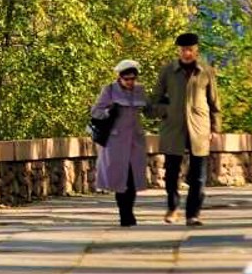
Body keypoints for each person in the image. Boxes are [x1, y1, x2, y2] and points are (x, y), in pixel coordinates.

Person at [152, 32, 221, 226]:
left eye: (190, 49)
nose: (186, 53)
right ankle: (173, 208)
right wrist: (166, 110)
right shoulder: (167, 71)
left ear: (196, 50)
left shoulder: (206, 72)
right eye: (183, 50)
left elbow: (214, 102)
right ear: (179, 51)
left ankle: (193, 214)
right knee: (172, 172)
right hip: (173, 128)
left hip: (200, 128)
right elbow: (154, 100)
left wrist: (215, 128)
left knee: (198, 175)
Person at [91, 59, 151, 226]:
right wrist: (109, 111)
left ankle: (129, 211)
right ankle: (124, 214)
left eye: (133, 79)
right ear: (120, 77)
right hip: (115, 142)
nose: (130, 82)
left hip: (135, 142)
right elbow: (95, 112)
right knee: (120, 180)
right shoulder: (109, 90)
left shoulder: (140, 90)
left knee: (132, 179)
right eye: (127, 79)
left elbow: (149, 110)